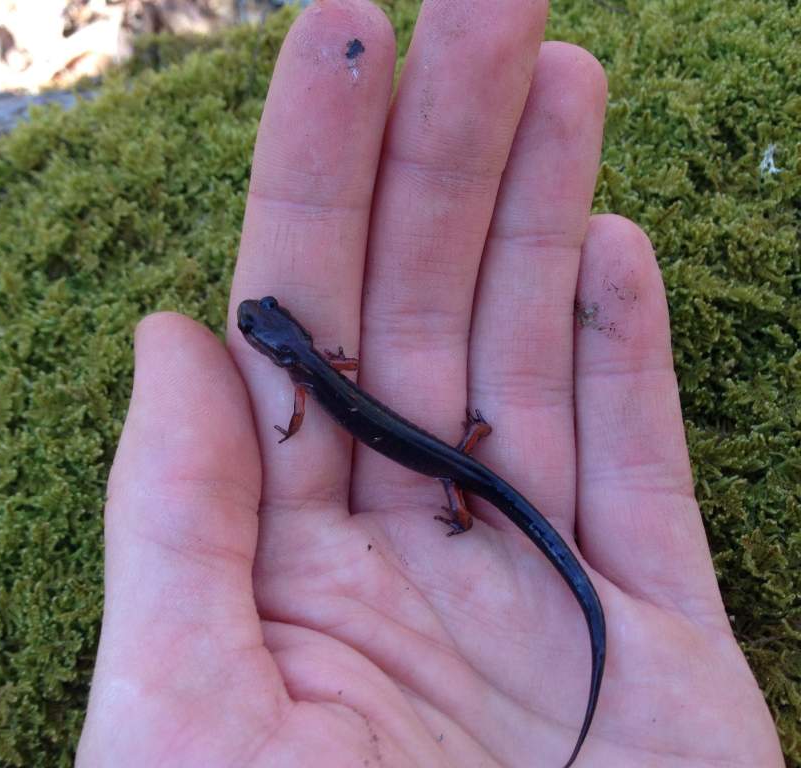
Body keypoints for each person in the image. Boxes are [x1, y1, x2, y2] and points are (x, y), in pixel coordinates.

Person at [76, 0, 783, 765]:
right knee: (455, 464)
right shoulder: (318, 363)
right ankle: (471, 478)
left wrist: (301, 430)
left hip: (456, 467)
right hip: (453, 455)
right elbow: (331, 374)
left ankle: (470, 507)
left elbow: (313, 400)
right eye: (260, 325)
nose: (258, 325)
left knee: (459, 480)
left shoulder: (308, 380)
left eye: (262, 325)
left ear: (286, 349)